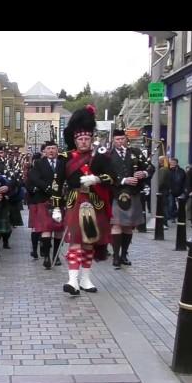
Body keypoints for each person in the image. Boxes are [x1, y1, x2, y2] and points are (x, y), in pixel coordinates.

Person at [59, 105, 115, 295]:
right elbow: (57, 182)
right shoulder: (66, 157)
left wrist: (97, 179)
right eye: (80, 139)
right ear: (75, 140)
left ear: (91, 138)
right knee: (75, 241)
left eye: (86, 138)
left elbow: (112, 177)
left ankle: (86, 278)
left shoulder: (101, 156)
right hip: (75, 202)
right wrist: (55, 207)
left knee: (89, 242)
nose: (83, 142)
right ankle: (72, 280)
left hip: (94, 202)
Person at [108, 129, 153, 269]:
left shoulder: (136, 153)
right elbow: (104, 175)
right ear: (113, 141)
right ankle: (115, 255)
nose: (120, 142)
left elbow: (151, 167)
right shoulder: (107, 155)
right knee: (116, 224)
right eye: (117, 140)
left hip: (133, 193)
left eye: (122, 139)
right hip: (116, 194)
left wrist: (144, 173)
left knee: (128, 226)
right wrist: (123, 180)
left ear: (126, 139)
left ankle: (124, 254)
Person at [27, 141, 65, 269]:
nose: (51, 151)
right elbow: (34, 178)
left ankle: (56, 255)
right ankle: (47, 256)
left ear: (57, 150)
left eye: (53, 148)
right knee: (46, 229)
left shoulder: (62, 163)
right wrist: (48, 188)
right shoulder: (38, 163)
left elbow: (66, 179)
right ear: (45, 150)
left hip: (59, 201)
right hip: (44, 199)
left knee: (59, 230)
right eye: (49, 148)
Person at [168, 158, 186, 223]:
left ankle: (179, 216)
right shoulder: (168, 170)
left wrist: (184, 190)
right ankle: (173, 217)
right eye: (171, 162)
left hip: (180, 189)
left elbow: (184, 180)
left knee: (181, 205)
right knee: (171, 204)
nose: (172, 163)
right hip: (171, 190)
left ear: (176, 163)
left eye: (173, 162)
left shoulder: (181, 171)